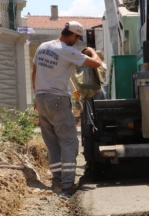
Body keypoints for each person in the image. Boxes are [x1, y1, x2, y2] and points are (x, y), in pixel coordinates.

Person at [31, 21, 101, 194]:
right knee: (69, 142)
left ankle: (57, 179)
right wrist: (92, 51)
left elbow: (34, 72)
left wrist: (36, 96)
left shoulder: (42, 47)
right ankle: (68, 184)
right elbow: (96, 64)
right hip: (58, 99)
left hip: (40, 98)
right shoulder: (67, 50)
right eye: (77, 38)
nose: (77, 42)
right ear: (72, 35)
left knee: (52, 142)